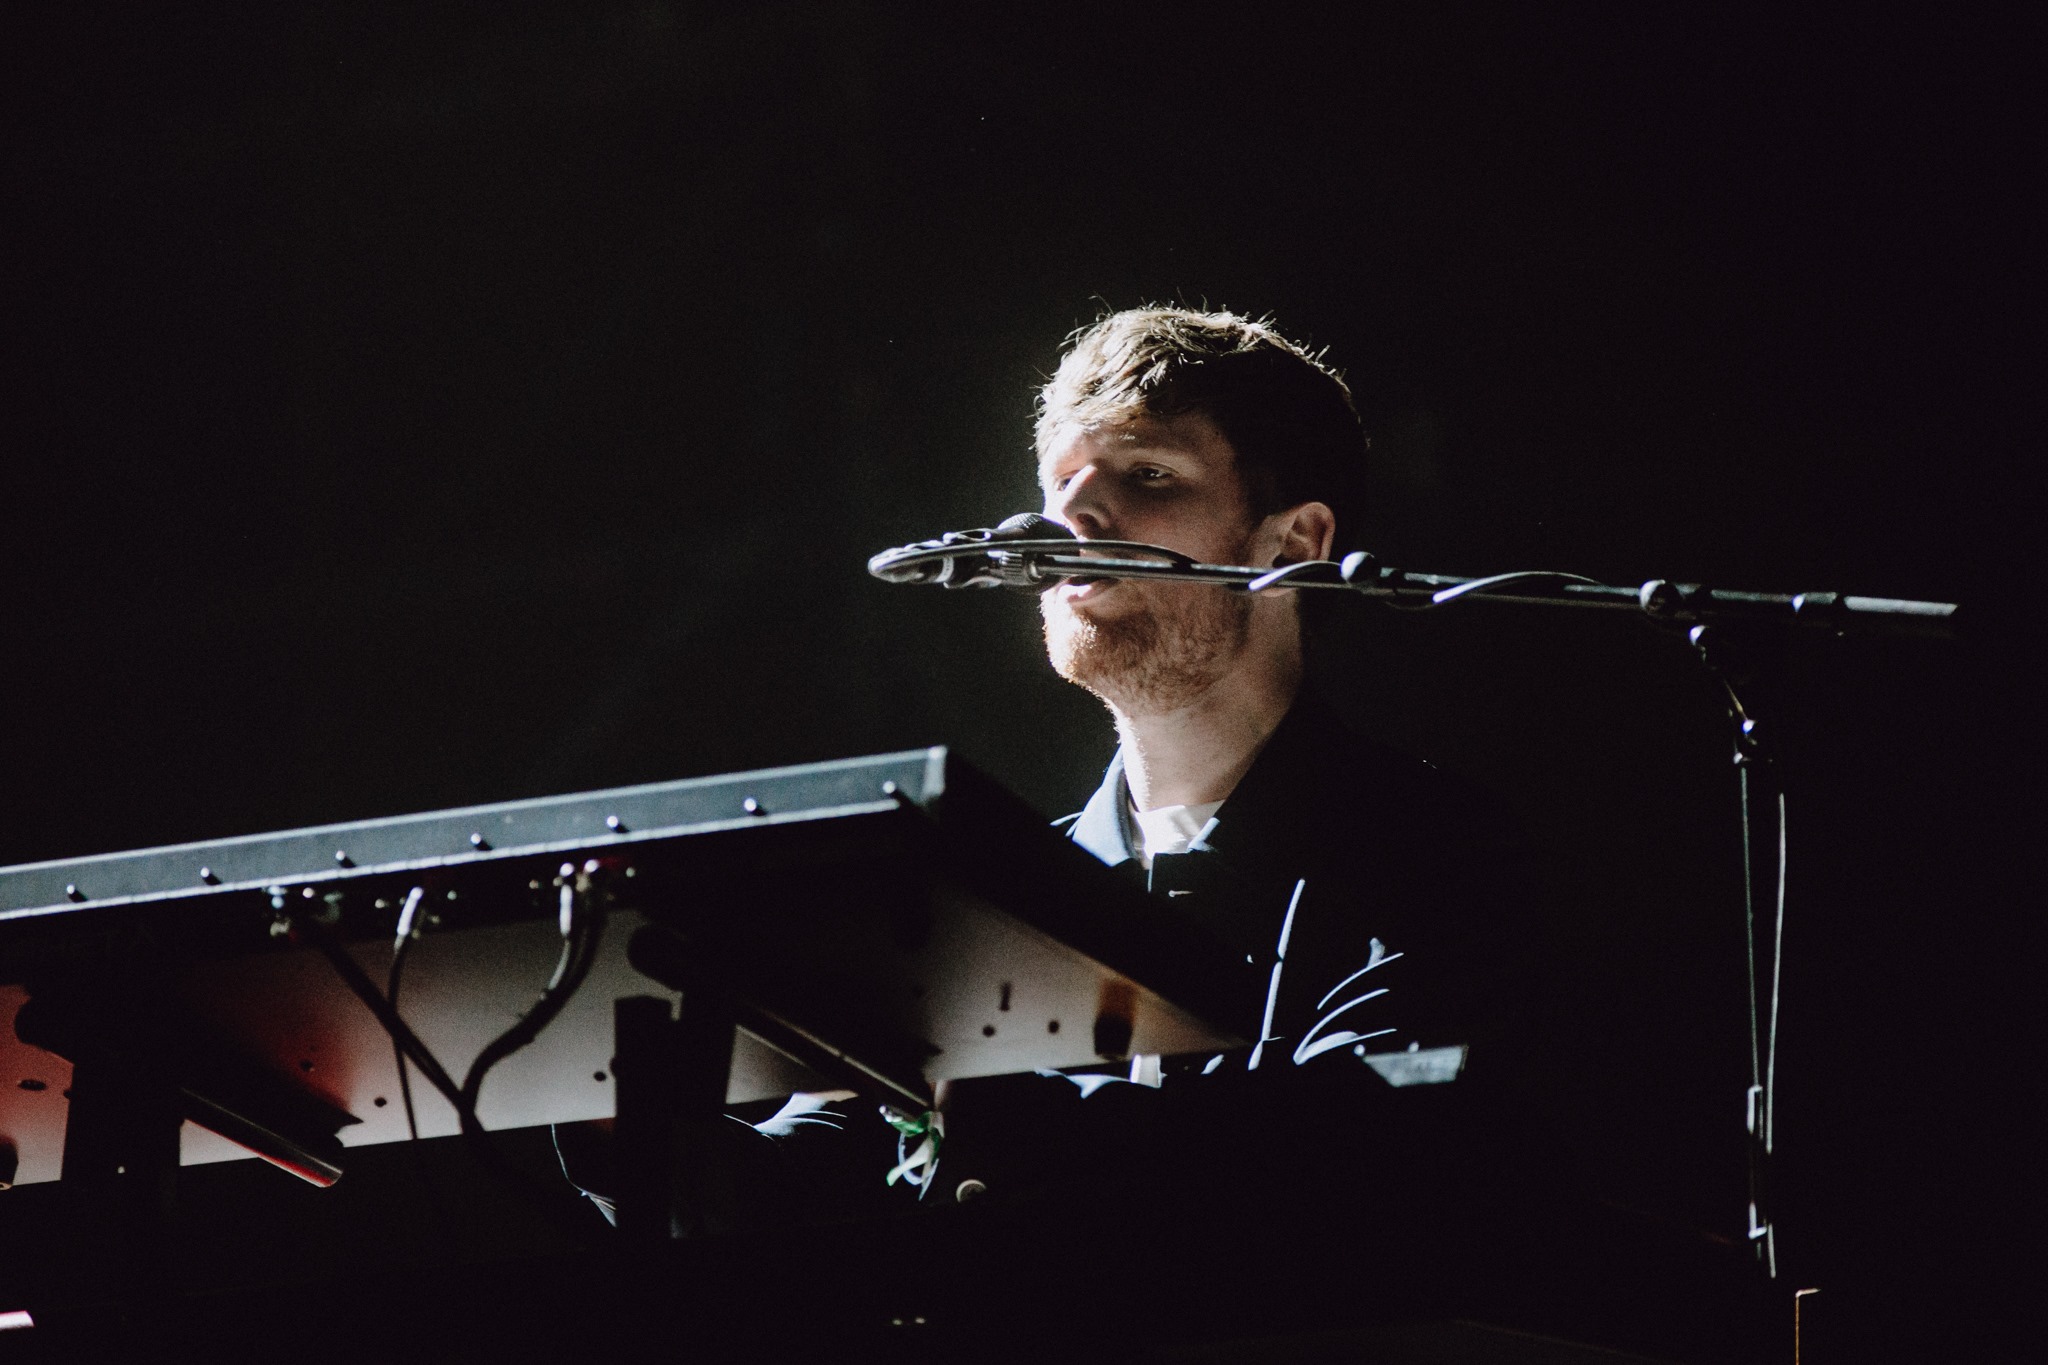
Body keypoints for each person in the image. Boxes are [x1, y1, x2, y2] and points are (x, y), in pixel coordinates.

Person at [1032, 306, 1532, 1074]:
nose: (1070, 514)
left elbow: (1320, 1163)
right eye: (1061, 481)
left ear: (1296, 543)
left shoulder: (1442, 861)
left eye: (1148, 475)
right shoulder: (1007, 889)